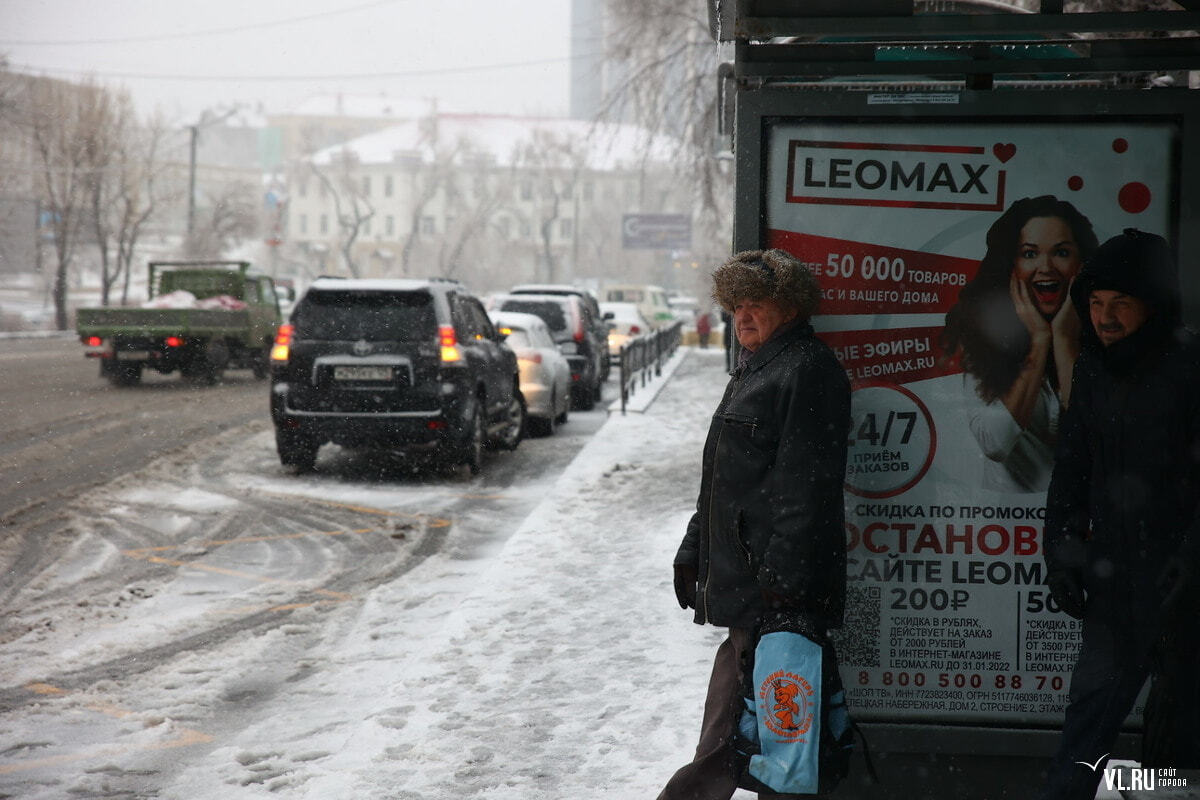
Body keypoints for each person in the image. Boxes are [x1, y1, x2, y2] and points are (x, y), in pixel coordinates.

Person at [659, 248, 851, 800]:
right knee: (757, 738)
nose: (743, 317)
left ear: (789, 308)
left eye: (757, 305)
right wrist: (692, 549)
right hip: (751, 591)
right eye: (737, 305)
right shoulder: (756, 369)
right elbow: (723, 480)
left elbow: (806, 489)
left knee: (746, 740)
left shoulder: (806, 371)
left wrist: (781, 585)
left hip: (772, 596)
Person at [1038, 229, 1200, 799]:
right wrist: (1060, 549)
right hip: (1116, 583)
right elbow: (1072, 470)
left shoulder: (1189, 366)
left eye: (1120, 305)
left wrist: (1190, 557)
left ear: (1151, 307)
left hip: (1183, 593)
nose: (1104, 318)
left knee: (1177, 741)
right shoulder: (1093, 370)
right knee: (1087, 724)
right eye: (1096, 305)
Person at [942, 195, 1099, 493]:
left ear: (1080, 263)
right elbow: (995, 444)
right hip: (1008, 525)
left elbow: (1098, 436)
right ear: (1010, 264)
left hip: (1083, 518)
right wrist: (1040, 342)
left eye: (1061, 252)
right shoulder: (982, 340)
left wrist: (1063, 339)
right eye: (1029, 253)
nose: (1046, 267)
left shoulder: (1105, 332)